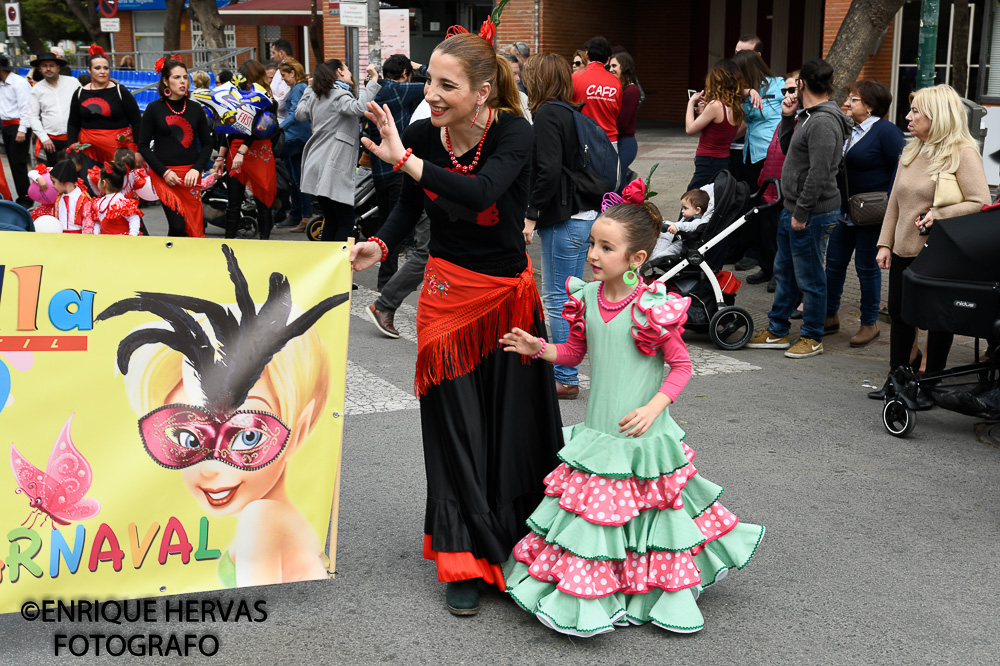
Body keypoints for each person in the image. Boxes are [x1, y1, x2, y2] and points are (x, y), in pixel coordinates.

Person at [351, 27, 563, 616]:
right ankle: (464, 557)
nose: (434, 95)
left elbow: (481, 192)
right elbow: (409, 210)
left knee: (512, 428)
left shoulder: (515, 134)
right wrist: (378, 244)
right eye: (430, 83)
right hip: (447, 301)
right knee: (456, 431)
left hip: (508, 302)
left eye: (448, 85)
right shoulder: (421, 135)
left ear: (484, 92)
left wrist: (407, 160)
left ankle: (522, 544)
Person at [500, 186, 764, 637]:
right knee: (599, 517)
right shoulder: (586, 297)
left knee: (648, 518)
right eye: (592, 245)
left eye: (606, 248)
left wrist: (653, 406)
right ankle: (599, 588)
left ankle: (642, 591)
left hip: (642, 432)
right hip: (601, 431)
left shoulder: (651, 307)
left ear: (636, 257)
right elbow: (574, 352)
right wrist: (538, 347)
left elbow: (681, 366)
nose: (594, 255)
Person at [96, 245, 349, 586]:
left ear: (299, 430)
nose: (212, 467)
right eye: (187, 437)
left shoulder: (262, 518)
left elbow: (258, 618)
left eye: (248, 435)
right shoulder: (268, 516)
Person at [869, 84, 990, 400]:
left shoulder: (962, 152)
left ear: (936, 116)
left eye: (915, 111)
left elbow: (979, 201)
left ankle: (930, 384)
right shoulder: (912, 149)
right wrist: (884, 244)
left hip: (942, 252)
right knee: (899, 313)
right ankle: (897, 378)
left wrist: (940, 213)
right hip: (904, 247)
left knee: (937, 319)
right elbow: (895, 201)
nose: (908, 117)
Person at [747, 58, 851, 359]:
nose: (789, 93)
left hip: (811, 213)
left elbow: (821, 173)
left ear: (803, 84)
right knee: (786, 271)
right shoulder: (808, 116)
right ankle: (778, 330)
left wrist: (802, 213)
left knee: (810, 277)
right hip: (793, 208)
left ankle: (812, 336)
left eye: (793, 87)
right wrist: (789, 117)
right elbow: (792, 147)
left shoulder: (823, 121)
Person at [519, 52, 595, 399]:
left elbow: (548, 170)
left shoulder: (548, 113)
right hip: (580, 217)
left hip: (564, 219)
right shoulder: (569, 110)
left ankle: (565, 376)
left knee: (558, 300)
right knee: (570, 299)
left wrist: (531, 214)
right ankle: (567, 370)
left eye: (528, 74)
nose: (524, 79)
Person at [825, 80, 905, 348]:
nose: (848, 102)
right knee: (834, 264)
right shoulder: (851, 129)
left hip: (872, 214)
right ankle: (829, 315)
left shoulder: (886, 131)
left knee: (866, 269)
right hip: (845, 212)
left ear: (870, 106)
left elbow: (900, 169)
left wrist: (891, 204)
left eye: (854, 99)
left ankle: (869, 324)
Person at [296, 59, 380, 242]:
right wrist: (374, 80)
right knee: (345, 221)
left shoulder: (317, 95)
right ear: (340, 72)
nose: (350, 73)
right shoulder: (338, 94)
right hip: (334, 165)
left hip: (317, 162)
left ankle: (328, 266)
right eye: (348, 69)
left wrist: (309, 89)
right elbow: (358, 108)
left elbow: (299, 113)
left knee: (332, 220)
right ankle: (338, 266)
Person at [363, 54, 429, 282]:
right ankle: (391, 278)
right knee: (400, 223)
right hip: (399, 168)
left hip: (379, 170)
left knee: (386, 219)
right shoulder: (396, 90)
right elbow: (432, 82)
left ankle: (386, 277)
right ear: (404, 74)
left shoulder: (373, 89)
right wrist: (421, 66)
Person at [138, 56, 213, 237]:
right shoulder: (154, 108)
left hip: (190, 177)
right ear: (165, 81)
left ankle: (179, 261)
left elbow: (208, 143)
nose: (182, 82)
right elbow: (143, 146)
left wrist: (197, 169)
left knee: (192, 226)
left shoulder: (195, 108)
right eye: (177, 77)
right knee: (178, 225)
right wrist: (164, 172)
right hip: (166, 177)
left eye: (185, 77)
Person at [747, 71, 799, 291]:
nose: (787, 95)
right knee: (766, 230)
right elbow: (774, 149)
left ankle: (780, 273)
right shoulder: (785, 118)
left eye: (792, 90)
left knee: (782, 234)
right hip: (770, 183)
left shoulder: (804, 120)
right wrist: (762, 178)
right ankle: (767, 267)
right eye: (785, 90)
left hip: (786, 188)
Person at [217, 60, 278, 241]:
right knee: (234, 201)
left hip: (257, 152)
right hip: (236, 151)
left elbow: (257, 130)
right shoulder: (236, 97)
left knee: (263, 201)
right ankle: (229, 242)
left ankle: (264, 243)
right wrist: (220, 156)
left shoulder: (267, 100)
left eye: (244, 78)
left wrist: (241, 152)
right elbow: (225, 128)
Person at [67, 46, 142, 181]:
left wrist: (138, 151)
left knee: (120, 189)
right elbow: (73, 123)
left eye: (106, 68)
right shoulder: (79, 93)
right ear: (89, 70)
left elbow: (137, 121)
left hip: (119, 152)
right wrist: (72, 149)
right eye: (98, 68)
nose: (103, 72)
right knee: (91, 187)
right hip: (88, 150)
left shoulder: (120, 91)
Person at [685, 58, 743, 190]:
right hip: (723, 160)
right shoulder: (735, 107)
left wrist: (690, 103)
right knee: (712, 198)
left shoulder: (715, 105)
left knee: (692, 197)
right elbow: (717, 131)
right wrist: (702, 113)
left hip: (708, 160)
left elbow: (690, 129)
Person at [276, 58, 313, 233]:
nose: (282, 79)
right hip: (299, 136)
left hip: (296, 137)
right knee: (297, 178)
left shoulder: (298, 88)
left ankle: (303, 215)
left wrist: (278, 129)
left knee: (298, 179)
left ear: (293, 73)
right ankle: (300, 215)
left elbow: (294, 113)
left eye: (284, 75)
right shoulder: (298, 87)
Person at [28, 52, 81, 165]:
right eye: (44, 66)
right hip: (51, 142)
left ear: (58, 67)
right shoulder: (37, 89)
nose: (48, 69)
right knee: (56, 175)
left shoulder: (72, 82)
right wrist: (44, 138)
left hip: (75, 138)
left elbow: (83, 106)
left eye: (51, 65)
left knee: (77, 173)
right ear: (39, 69)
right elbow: (32, 116)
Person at [572, 36, 621, 145]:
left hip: (583, 138)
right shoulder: (616, 82)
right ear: (608, 59)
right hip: (610, 140)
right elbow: (617, 111)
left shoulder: (575, 78)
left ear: (587, 55)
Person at [0, 54, 33, 206]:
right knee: (13, 163)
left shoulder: (19, 83)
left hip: (18, 126)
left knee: (19, 163)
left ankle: (26, 198)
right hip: (7, 126)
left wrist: (22, 130)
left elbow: (26, 108)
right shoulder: (2, 83)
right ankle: (21, 197)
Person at [28, 159, 93, 232]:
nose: (52, 186)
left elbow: (88, 224)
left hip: (77, 239)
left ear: (64, 182)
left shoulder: (83, 199)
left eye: (54, 182)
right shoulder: (58, 198)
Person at [652, 188, 710, 260]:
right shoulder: (688, 218)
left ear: (697, 210)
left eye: (685, 208)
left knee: (658, 256)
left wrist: (677, 226)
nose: (682, 211)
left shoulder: (698, 222)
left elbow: (688, 226)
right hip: (677, 240)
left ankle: (651, 261)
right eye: (682, 208)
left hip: (682, 245)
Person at [90, 161, 143, 236]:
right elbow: (98, 223)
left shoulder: (119, 201)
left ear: (104, 183)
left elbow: (134, 218)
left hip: (122, 243)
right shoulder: (99, 202)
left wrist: (132, 235)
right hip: (105, 243)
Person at [610, 51, 640, 181]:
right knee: (618, 179)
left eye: (614, 66)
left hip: (625, 142)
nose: (611, 70)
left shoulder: (632, 90)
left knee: (617, 179)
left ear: (625, 66)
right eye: (610, 66)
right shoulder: (619, 88)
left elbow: (623, 122)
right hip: (618, 140)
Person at [270, 38, 294, 123]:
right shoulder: (279, 70)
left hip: (284, 124)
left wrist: (272, 96)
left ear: (281, 53)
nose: (272, 56)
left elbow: (280, 104)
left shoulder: (289, 70)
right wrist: (273, 96)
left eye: (273, 53)